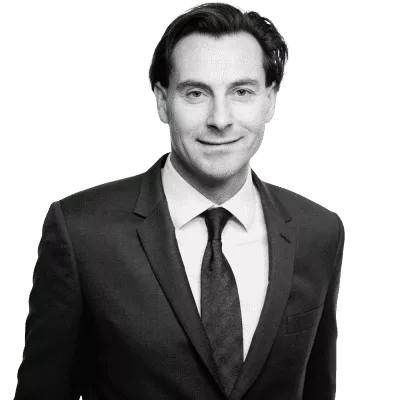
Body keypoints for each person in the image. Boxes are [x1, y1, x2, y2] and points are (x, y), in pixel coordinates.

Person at [14, 2, 345, 400]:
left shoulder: (318, 232)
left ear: (270, 99)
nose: (220, 119)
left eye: (242, 92)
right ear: (162, 100)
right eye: (195, 93)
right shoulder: (82, 233)